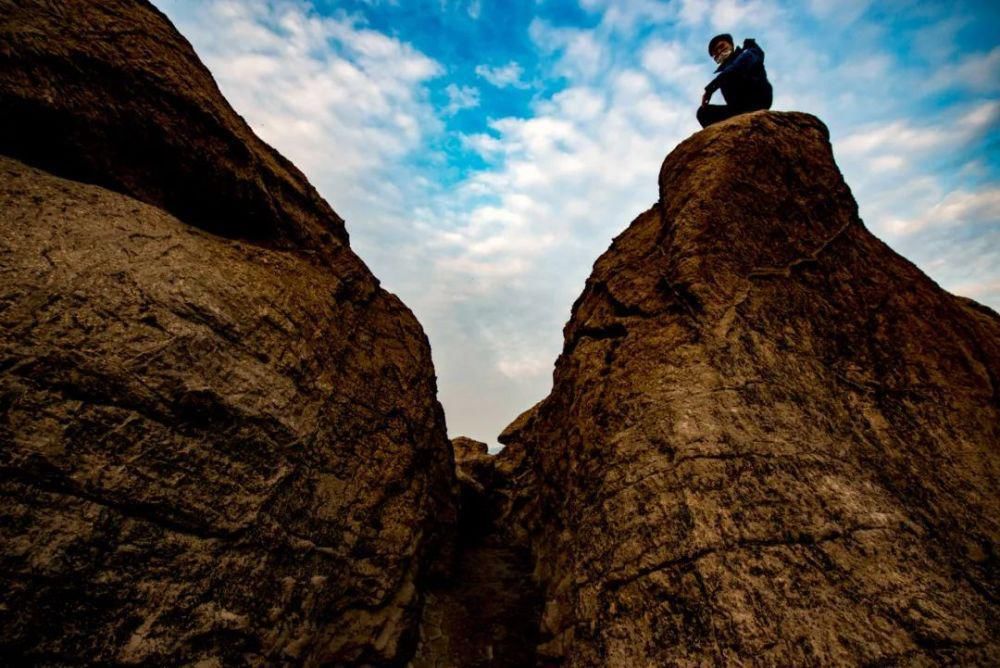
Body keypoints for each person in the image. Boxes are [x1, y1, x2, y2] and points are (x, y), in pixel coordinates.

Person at [697, 33, 773, 128]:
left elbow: (736, 68)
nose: (719, 51)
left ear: (731, 45)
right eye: (715, 52)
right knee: (703, 113)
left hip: (758, 102)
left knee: (729, 75)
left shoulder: (749, 51)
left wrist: (710, 89)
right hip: (738, 110)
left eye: (722, 46)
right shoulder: (723, 73)